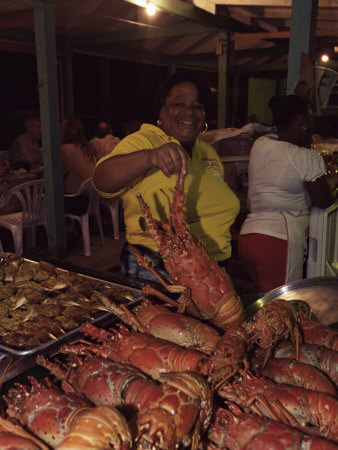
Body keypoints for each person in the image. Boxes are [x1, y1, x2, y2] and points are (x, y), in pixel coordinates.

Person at [93, 70, 240, 281]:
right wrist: (150, 157)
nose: (189, 112)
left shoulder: (207, 152)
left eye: (197, 106)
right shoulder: (145, 141)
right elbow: (102, 180)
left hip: (215, 269)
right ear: (161, 111)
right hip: (160, 268)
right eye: (178, 104)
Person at [238, 95, 334, 293]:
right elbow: (324, 201)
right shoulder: (306, 157)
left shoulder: (261, 145)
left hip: (249, 237)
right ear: (303, 123)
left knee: (264, 302)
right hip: (278, 240)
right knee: (283, 306)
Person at [61, 117, 96, 214]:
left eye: (61, 129)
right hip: (93, 199)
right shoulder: (87, 149)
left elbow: (56, 174)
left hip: (77, 201)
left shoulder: (65, 149)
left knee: (48, 198)